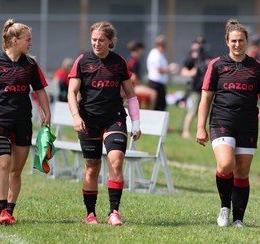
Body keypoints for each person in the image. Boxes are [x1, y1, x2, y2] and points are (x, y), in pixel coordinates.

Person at [196, 19, 260, 228]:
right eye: (233, 41)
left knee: (241, 172)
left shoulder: (257, 67)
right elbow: (205, 98)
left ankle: (238, 219)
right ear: (227, 41)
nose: (237, 44)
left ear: (246, 41)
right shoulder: (216, 65)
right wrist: (200, 127)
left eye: (241, 40)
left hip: (248, 124)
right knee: (225, 164)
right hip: (222, 120)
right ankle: (224, 207)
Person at [0, 19, 51, 225]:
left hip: (23, 121)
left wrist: (46, 112)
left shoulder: (31, 64)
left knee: (16, 170)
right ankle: (2, 210)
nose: (30, 43)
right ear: (15, 40)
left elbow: (40, 90)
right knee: (4, 163)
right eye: (28, 39)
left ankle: (10, 210)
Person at [67, 21, 141, 226]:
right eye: (94, 40)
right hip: (88, 120)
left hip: (114, 118)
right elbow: (71, 92)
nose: (97, 43)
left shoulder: (119, 62)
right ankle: (91, 214)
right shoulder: (82, 61)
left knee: (116, 161)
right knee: (92, 167)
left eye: (101, 40)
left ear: (110, 41)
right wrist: (75, 116)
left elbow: (131, 95)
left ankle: (114, 212)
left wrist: (136, 122)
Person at [180, 37, 210, 139]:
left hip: (206, 88)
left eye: (201, 43)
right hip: (195, 88)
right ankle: (185, 132)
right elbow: (183, 72)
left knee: (205, 111)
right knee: (192, 111)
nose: (200, 45)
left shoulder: (205, 56)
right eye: (198, 43)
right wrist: (192, 72)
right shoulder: (191, 57)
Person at [146, 35, 178, 111]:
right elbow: (159, 70)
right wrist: (170, 69)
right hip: (155, 83)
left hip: (160, 83)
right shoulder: (155, 54)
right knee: (158, 106)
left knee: (162, 105)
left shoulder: (160, 54)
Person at [126, 40, 157, 110]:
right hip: (131, 87)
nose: (142, 52)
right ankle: (150, 114)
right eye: (141, 50)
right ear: (138, 49)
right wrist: (138, 85)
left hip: (130, 86)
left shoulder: (131, 59)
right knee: (153, 93)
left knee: (145, 97)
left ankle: (145, 113)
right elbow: (133, 77)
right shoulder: (134, 61)